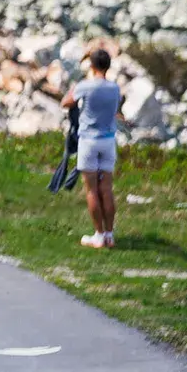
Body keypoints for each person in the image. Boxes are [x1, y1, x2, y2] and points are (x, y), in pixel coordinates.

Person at [62, 48, 123, 249]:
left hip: (89, 140)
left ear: (91, 65)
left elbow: (66, 102)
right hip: (108, 141)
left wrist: (74, 88)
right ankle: (110, 235)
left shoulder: (85, 86)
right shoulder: (114, 88)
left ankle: (98, 235)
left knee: (92, 190)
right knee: (106, 188)